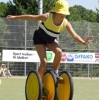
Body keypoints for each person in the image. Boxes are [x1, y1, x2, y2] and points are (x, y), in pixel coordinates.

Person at [6, 0, 92, 82]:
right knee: (44, 62)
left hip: (50, 40)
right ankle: (40, 83)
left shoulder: (65, 23)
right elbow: (31, 17)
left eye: (65, 13)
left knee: (59, 52)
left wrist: (84, 42)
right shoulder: (47, 17)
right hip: (39, 38)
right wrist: (15, 17)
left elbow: (75, 35)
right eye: (62, 12)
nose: (64, 15)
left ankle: (55, 73)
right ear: (56, 11)